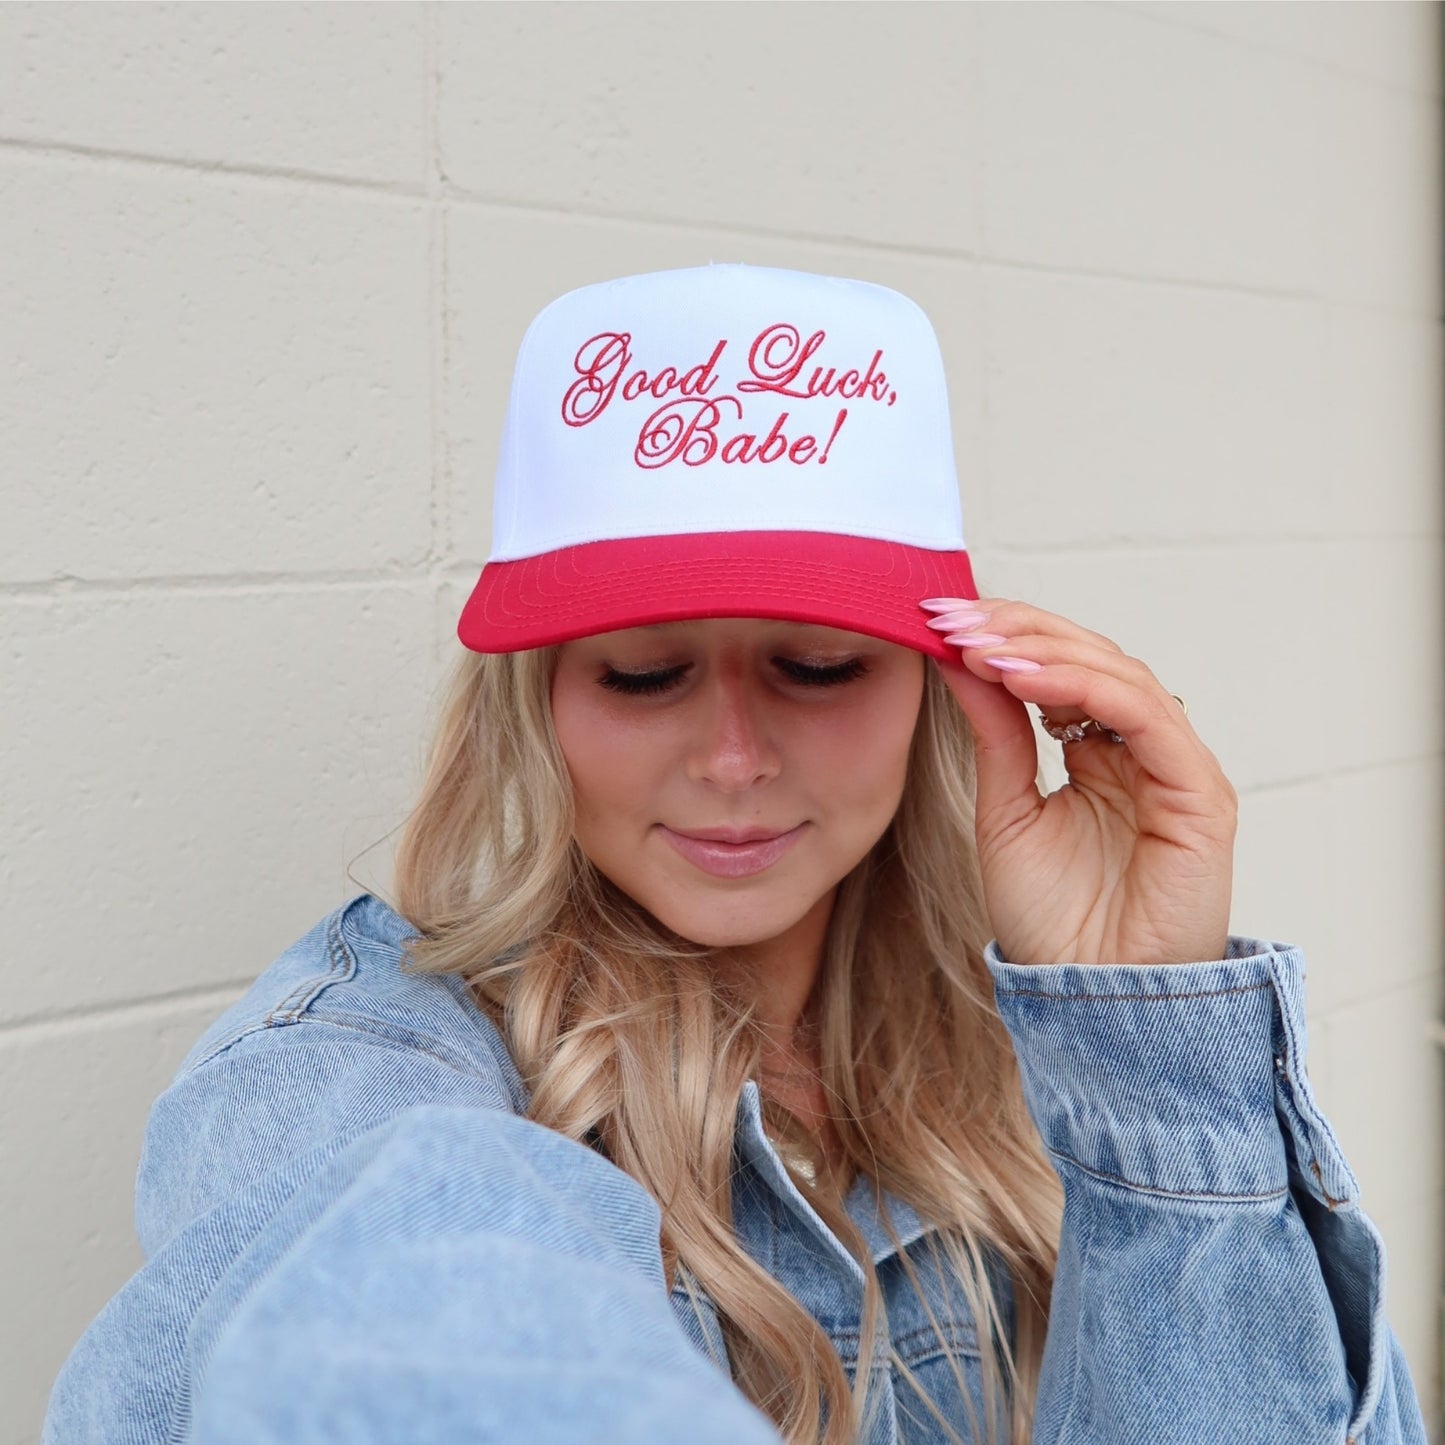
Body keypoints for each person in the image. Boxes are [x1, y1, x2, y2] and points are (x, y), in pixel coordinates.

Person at [43, 263, 1427, 1445]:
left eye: (817, 666)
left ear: (944, 691)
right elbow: (389, 1280)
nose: (729, 756)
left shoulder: (1030, 1051)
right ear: (536, 705)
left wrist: (1141, 1046)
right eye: (643, 674)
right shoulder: (374, 1051)